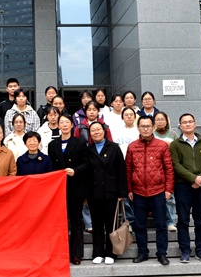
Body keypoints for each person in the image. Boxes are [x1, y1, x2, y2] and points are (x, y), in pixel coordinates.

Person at [126, 116, 174, 266]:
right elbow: (128, 170)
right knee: (139, 225)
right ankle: (143, 253)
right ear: (138, 127)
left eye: (148, 126)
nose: (145, 129)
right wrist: (129, 189)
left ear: (153, 127)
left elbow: (169, 169)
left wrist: (169, 189)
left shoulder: (162, 145)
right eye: (142, 126)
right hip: (138, 191)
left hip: (158, 191)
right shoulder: (132, 147)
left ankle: (162, 253)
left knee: (161, 225)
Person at [169, 113, 201, 264]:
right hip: (183, 186)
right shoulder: (175, 145)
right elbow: (176, 165)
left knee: (200, 219)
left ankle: (200, 249)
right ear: (180, 126)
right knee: (183, 220)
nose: (187, 124)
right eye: (184, 122)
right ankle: (185, 250)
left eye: (190, 122)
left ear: (195, 124)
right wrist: (193, 178)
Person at [48, 114, 88, 265]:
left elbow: (86, 163)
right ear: (58, 125)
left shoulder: (80, 142)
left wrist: (76, 171)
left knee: (76, 222)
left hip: (76, 187)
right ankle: (61, 253)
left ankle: (76, 254)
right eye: (62, 122)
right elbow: (51, 166)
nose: (64, 125)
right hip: (59, 189)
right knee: (60, 223)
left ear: (72, 125)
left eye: (67, 122)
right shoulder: (53, 145)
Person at [86, 121, 126, 265]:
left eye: (98, 129)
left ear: (104, 131)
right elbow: (85, 173)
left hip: (111, 192)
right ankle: (98, 253)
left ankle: (110, 253)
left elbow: (121, 170)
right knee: (97, 224)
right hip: (94, 193)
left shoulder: (114, 148)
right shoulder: (88, 150)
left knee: (111, 224)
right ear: (90, 134)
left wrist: (122, 193)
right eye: (93, 130)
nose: (96, 132)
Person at [154, 111, 180, 232]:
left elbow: (178, 149)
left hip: (169, 166)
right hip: (155, 168)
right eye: (157, 119)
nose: (160, 122)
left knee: (170, 195)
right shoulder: (151, 134)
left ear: (167, 121)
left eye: (162, 119)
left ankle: (170, 221)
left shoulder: (173, 134)